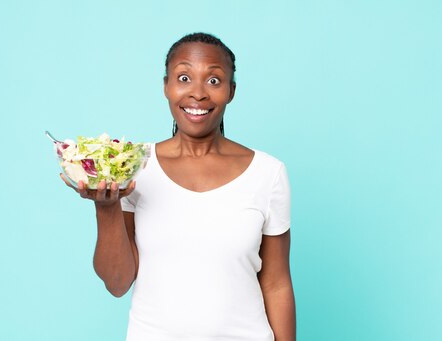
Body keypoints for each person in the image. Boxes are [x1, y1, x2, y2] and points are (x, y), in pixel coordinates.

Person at [61, 32, 296, 341]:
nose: (198, 94)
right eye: (184, 77)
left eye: (214, 81)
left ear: (232, 91)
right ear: (166, 87)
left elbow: (276, 284)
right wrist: (106, 207)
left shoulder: (268, 173)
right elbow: (117, 283)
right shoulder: (133, 167)